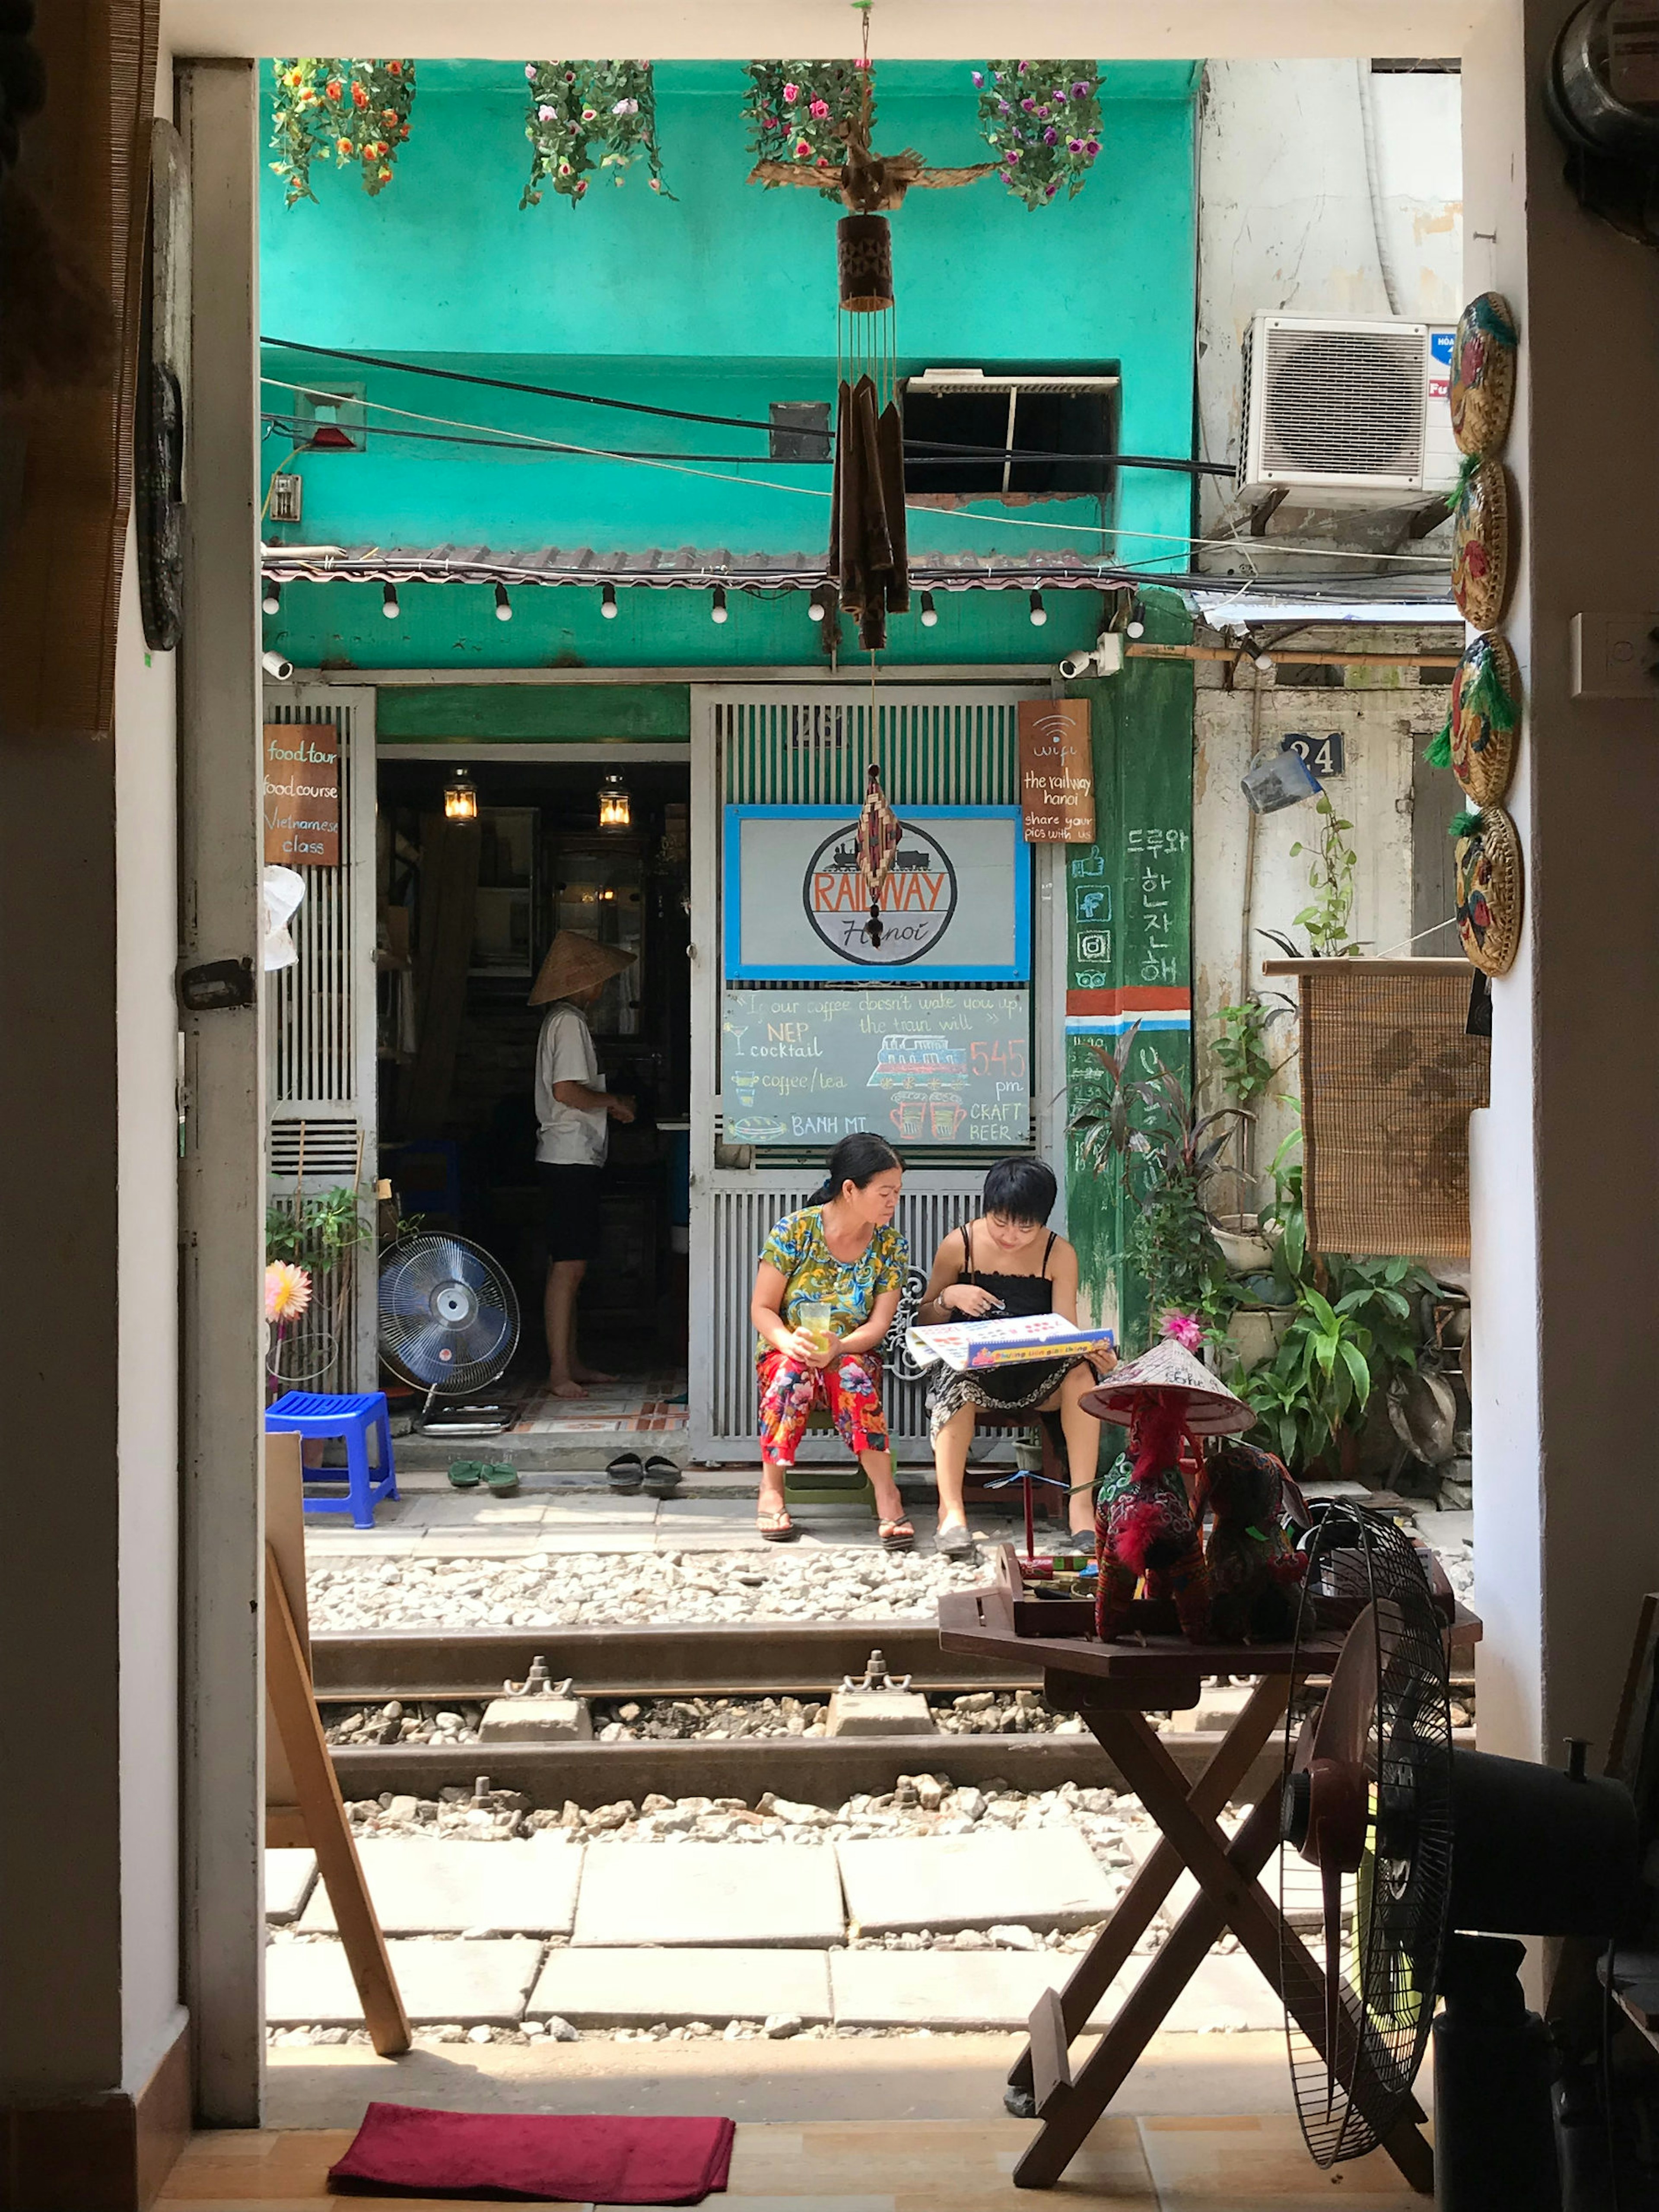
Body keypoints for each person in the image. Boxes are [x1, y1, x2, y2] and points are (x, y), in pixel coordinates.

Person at [914, 1158, 1117, 1556]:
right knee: (955, 1381)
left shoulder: (1059, 1254)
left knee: (1080, 1372)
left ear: (1043, 1220)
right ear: (987, 1208)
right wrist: (948, 1298)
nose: (1011, 1236)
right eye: (1001, 1222)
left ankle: (1080, 1505)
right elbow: (924, 1319)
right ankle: (951, 1511)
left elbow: (1064, 1332)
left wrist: (1094, 1354)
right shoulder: (961, 1245)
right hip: (973, 1370)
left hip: (1035, 1374)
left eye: (1026, 1226)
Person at [749, 1133, 914, 1549]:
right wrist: (789, 1342)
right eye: (885, 1192)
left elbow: (878, 1327)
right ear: (849, 1189)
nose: (893, 1201)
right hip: (789, 1351)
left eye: (897, 1192)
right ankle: (771, 1488)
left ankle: (886, 1493)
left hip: (853, 1352)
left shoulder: (890, 1246)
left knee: (853, 1375)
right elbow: (763, 1309)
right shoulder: (795, 1231)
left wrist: (840, 1347)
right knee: (791, 1375)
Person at [528, 929, 637, 1399]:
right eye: (600, 978)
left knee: (569, 1265)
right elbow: (567, 1091)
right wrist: (613, 1101)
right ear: (585, 980)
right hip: (568, 1156)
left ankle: (570, 1362)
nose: (605, 986)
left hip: (567, 1156)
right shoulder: (569, 1021)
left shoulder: (562, 1020)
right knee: (567, 1268)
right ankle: (559, 1371)